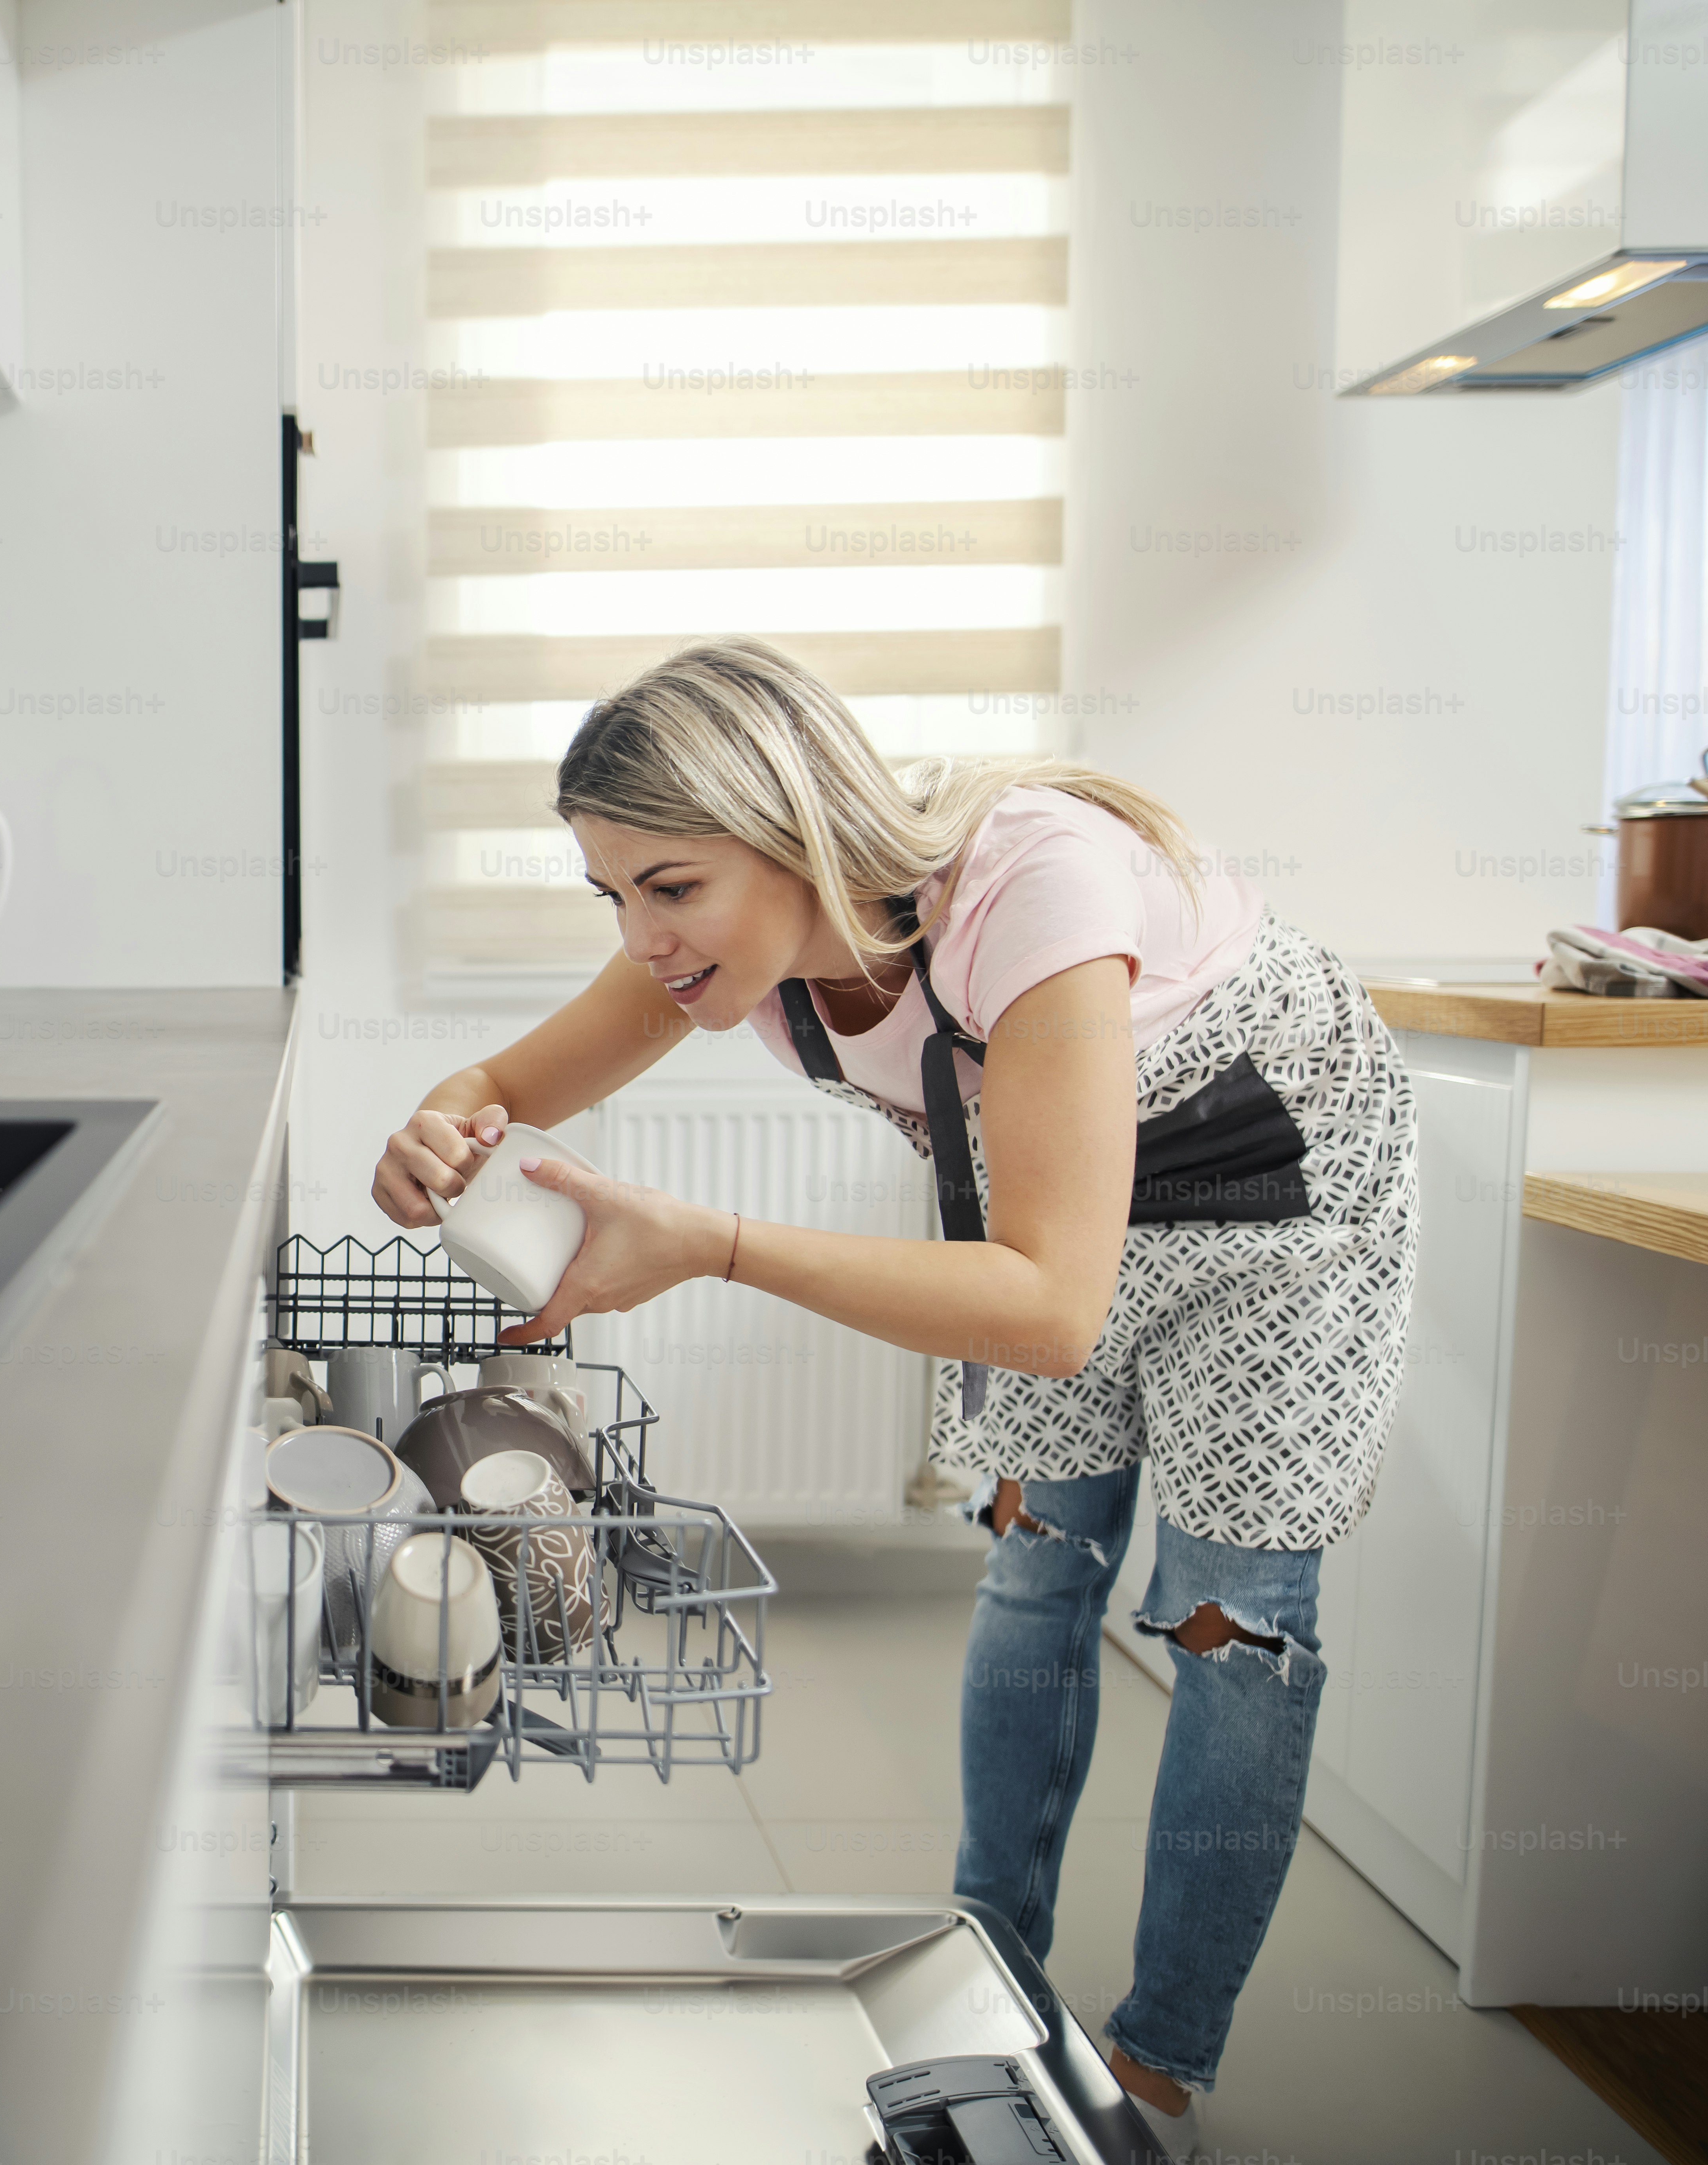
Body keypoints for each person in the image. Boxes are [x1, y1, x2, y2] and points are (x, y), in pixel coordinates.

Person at [371, 637, 1415, 2153]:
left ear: (791, 827)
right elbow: (503, 1084)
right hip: (1053, 1184)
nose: (642, 938)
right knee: (1041, 1563)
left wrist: (713, 1245)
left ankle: (1160, 2073)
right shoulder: (734, 940)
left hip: (1278, 1198)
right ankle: (993, 1978)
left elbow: (1052, 1310)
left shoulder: (1034, 890)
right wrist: (430, 1133)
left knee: (1230, 1621)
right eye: (613, 895)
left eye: (669, 887)